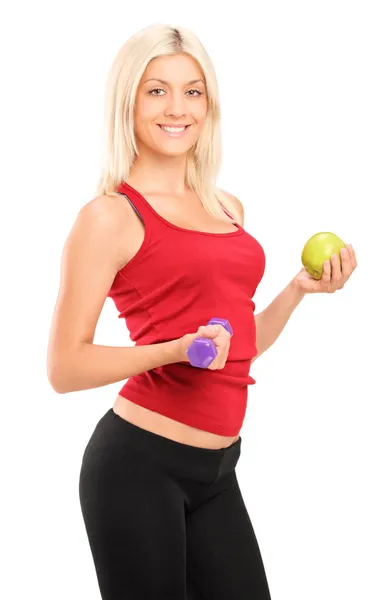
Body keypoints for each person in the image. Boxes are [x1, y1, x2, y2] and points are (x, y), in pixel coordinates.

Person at [46, 23, 357, 600]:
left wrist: (296, 290)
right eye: (156, 90)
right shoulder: (109, 217)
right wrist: (175, 350)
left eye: (193, 91)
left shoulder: (226, 206)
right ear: (129, 101)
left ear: (208, 105)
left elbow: (234, 345)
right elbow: (64, 368)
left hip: (218, 471)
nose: (177, 108)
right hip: (137, 469)